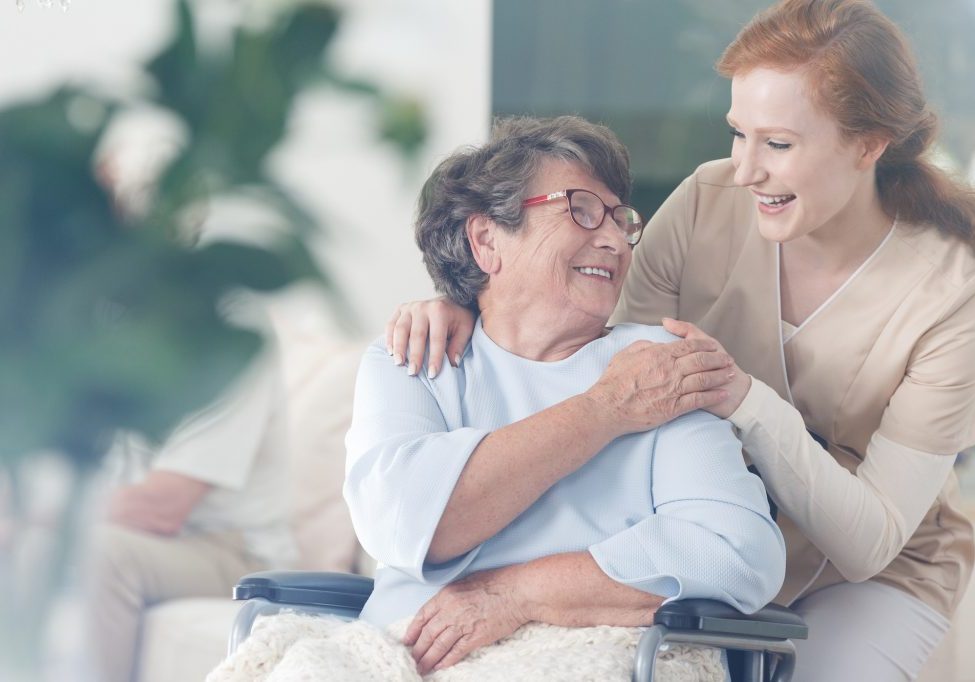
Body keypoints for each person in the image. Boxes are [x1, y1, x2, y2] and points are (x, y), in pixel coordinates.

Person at [384, 1, 975, 680]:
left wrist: (743, 400)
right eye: (738, 134)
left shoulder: (951, 291)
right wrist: (470, 300)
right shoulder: (707, 202)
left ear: (868, 145)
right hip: (703, 533)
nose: (745, 169)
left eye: (778, 144)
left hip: (868, 571)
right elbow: (595, 349)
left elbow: (868, 542)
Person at [344, 115, 786, 677]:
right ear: (487, 241)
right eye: (581, 209)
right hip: (403, 654)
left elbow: (738, 552)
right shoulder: (415, 357)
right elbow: (403, 522)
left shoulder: (658, 367)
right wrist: (607, 409)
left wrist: (517, 594)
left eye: (620, 219)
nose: (614, 240)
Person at [85, 347, 298, 682]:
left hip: (238, 554)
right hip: (159, 541)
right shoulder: (114, 345)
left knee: (100, 552)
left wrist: (48, 520)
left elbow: (160, 508)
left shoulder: (229, 344)